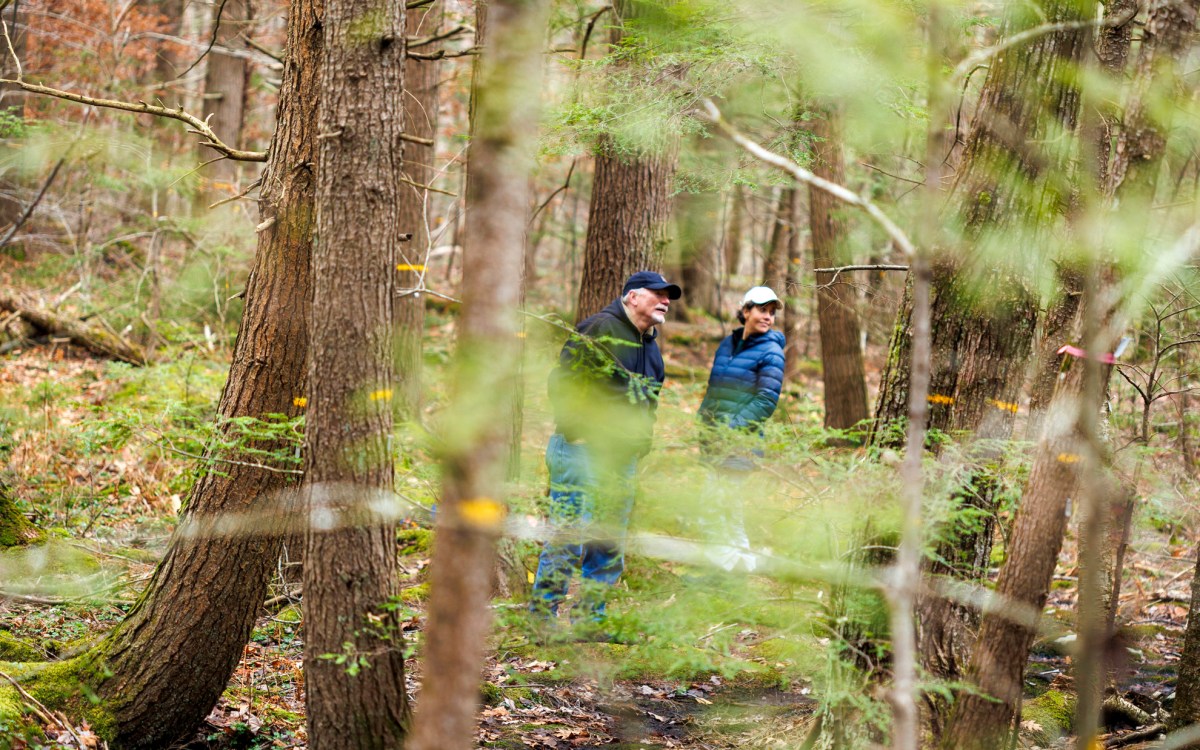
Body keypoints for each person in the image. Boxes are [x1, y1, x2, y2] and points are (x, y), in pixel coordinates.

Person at [530, 270, 682, 629]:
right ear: (632, 297)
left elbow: (649, 402)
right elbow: (563, 382)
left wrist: (639, 445)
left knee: (608, 543)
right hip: (582, 451)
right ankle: (540, 621)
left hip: (620, 459)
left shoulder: (651, 347)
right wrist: (578, 432)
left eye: (669, 296)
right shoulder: (601, 328)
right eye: (657, 293)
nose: (666, 301)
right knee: (569, 538)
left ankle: (589, 620)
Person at [695, 286, 786, 572]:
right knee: (729, 510)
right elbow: (714, 388)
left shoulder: (771, 351)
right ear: (745, 311)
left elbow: (766, 401)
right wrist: (703, 420)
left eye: (772, 313)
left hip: (738, 443)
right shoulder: (727, 345)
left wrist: (730, 429)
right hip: (714, 440)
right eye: (762, 309)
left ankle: (721, 573)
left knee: (712, 509)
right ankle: (742, 568)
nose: (768, 317)